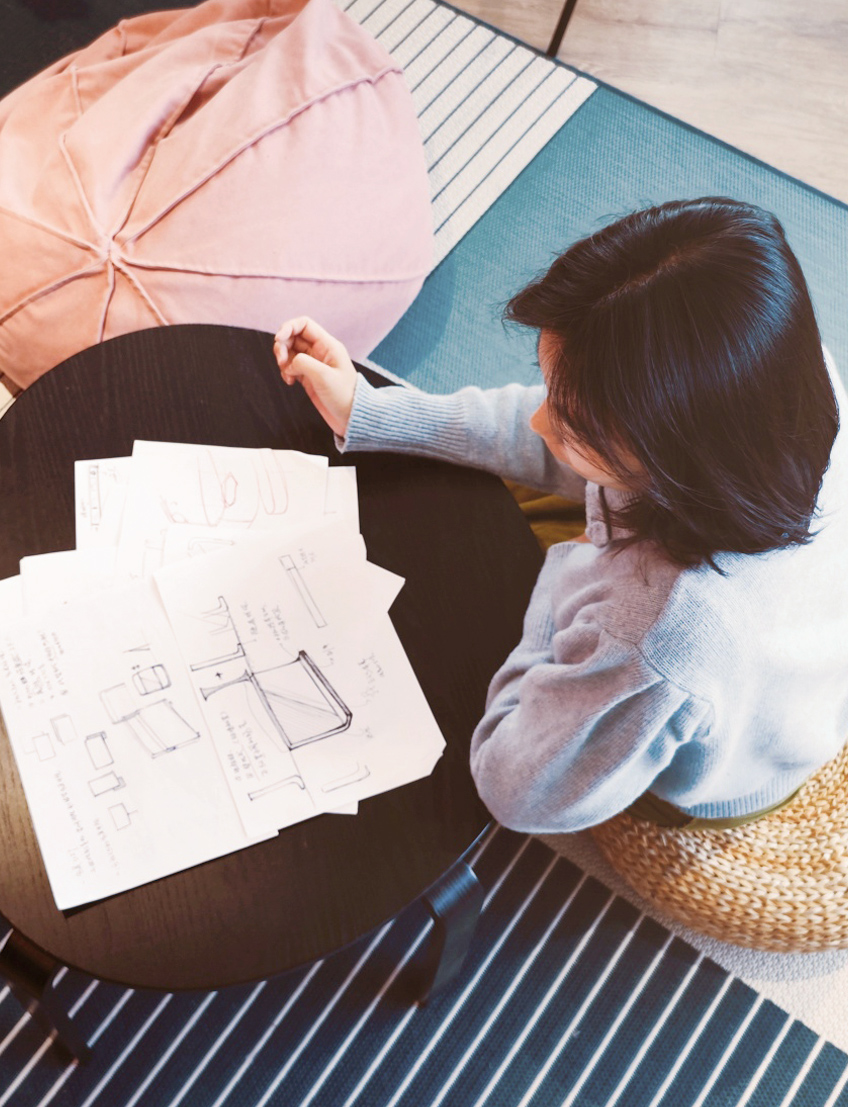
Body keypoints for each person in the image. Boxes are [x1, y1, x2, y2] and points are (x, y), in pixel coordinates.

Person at [273, 197, 848, 834]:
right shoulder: (786, 376)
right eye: (553, 390)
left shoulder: (654, 636)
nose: (540, 420)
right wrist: (372, 411)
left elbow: (516, 791)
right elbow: (562, 429)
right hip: (786, 675)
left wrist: (570, 566)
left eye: (576, 425)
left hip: (719, 773)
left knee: (441, 604)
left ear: (670, 455)